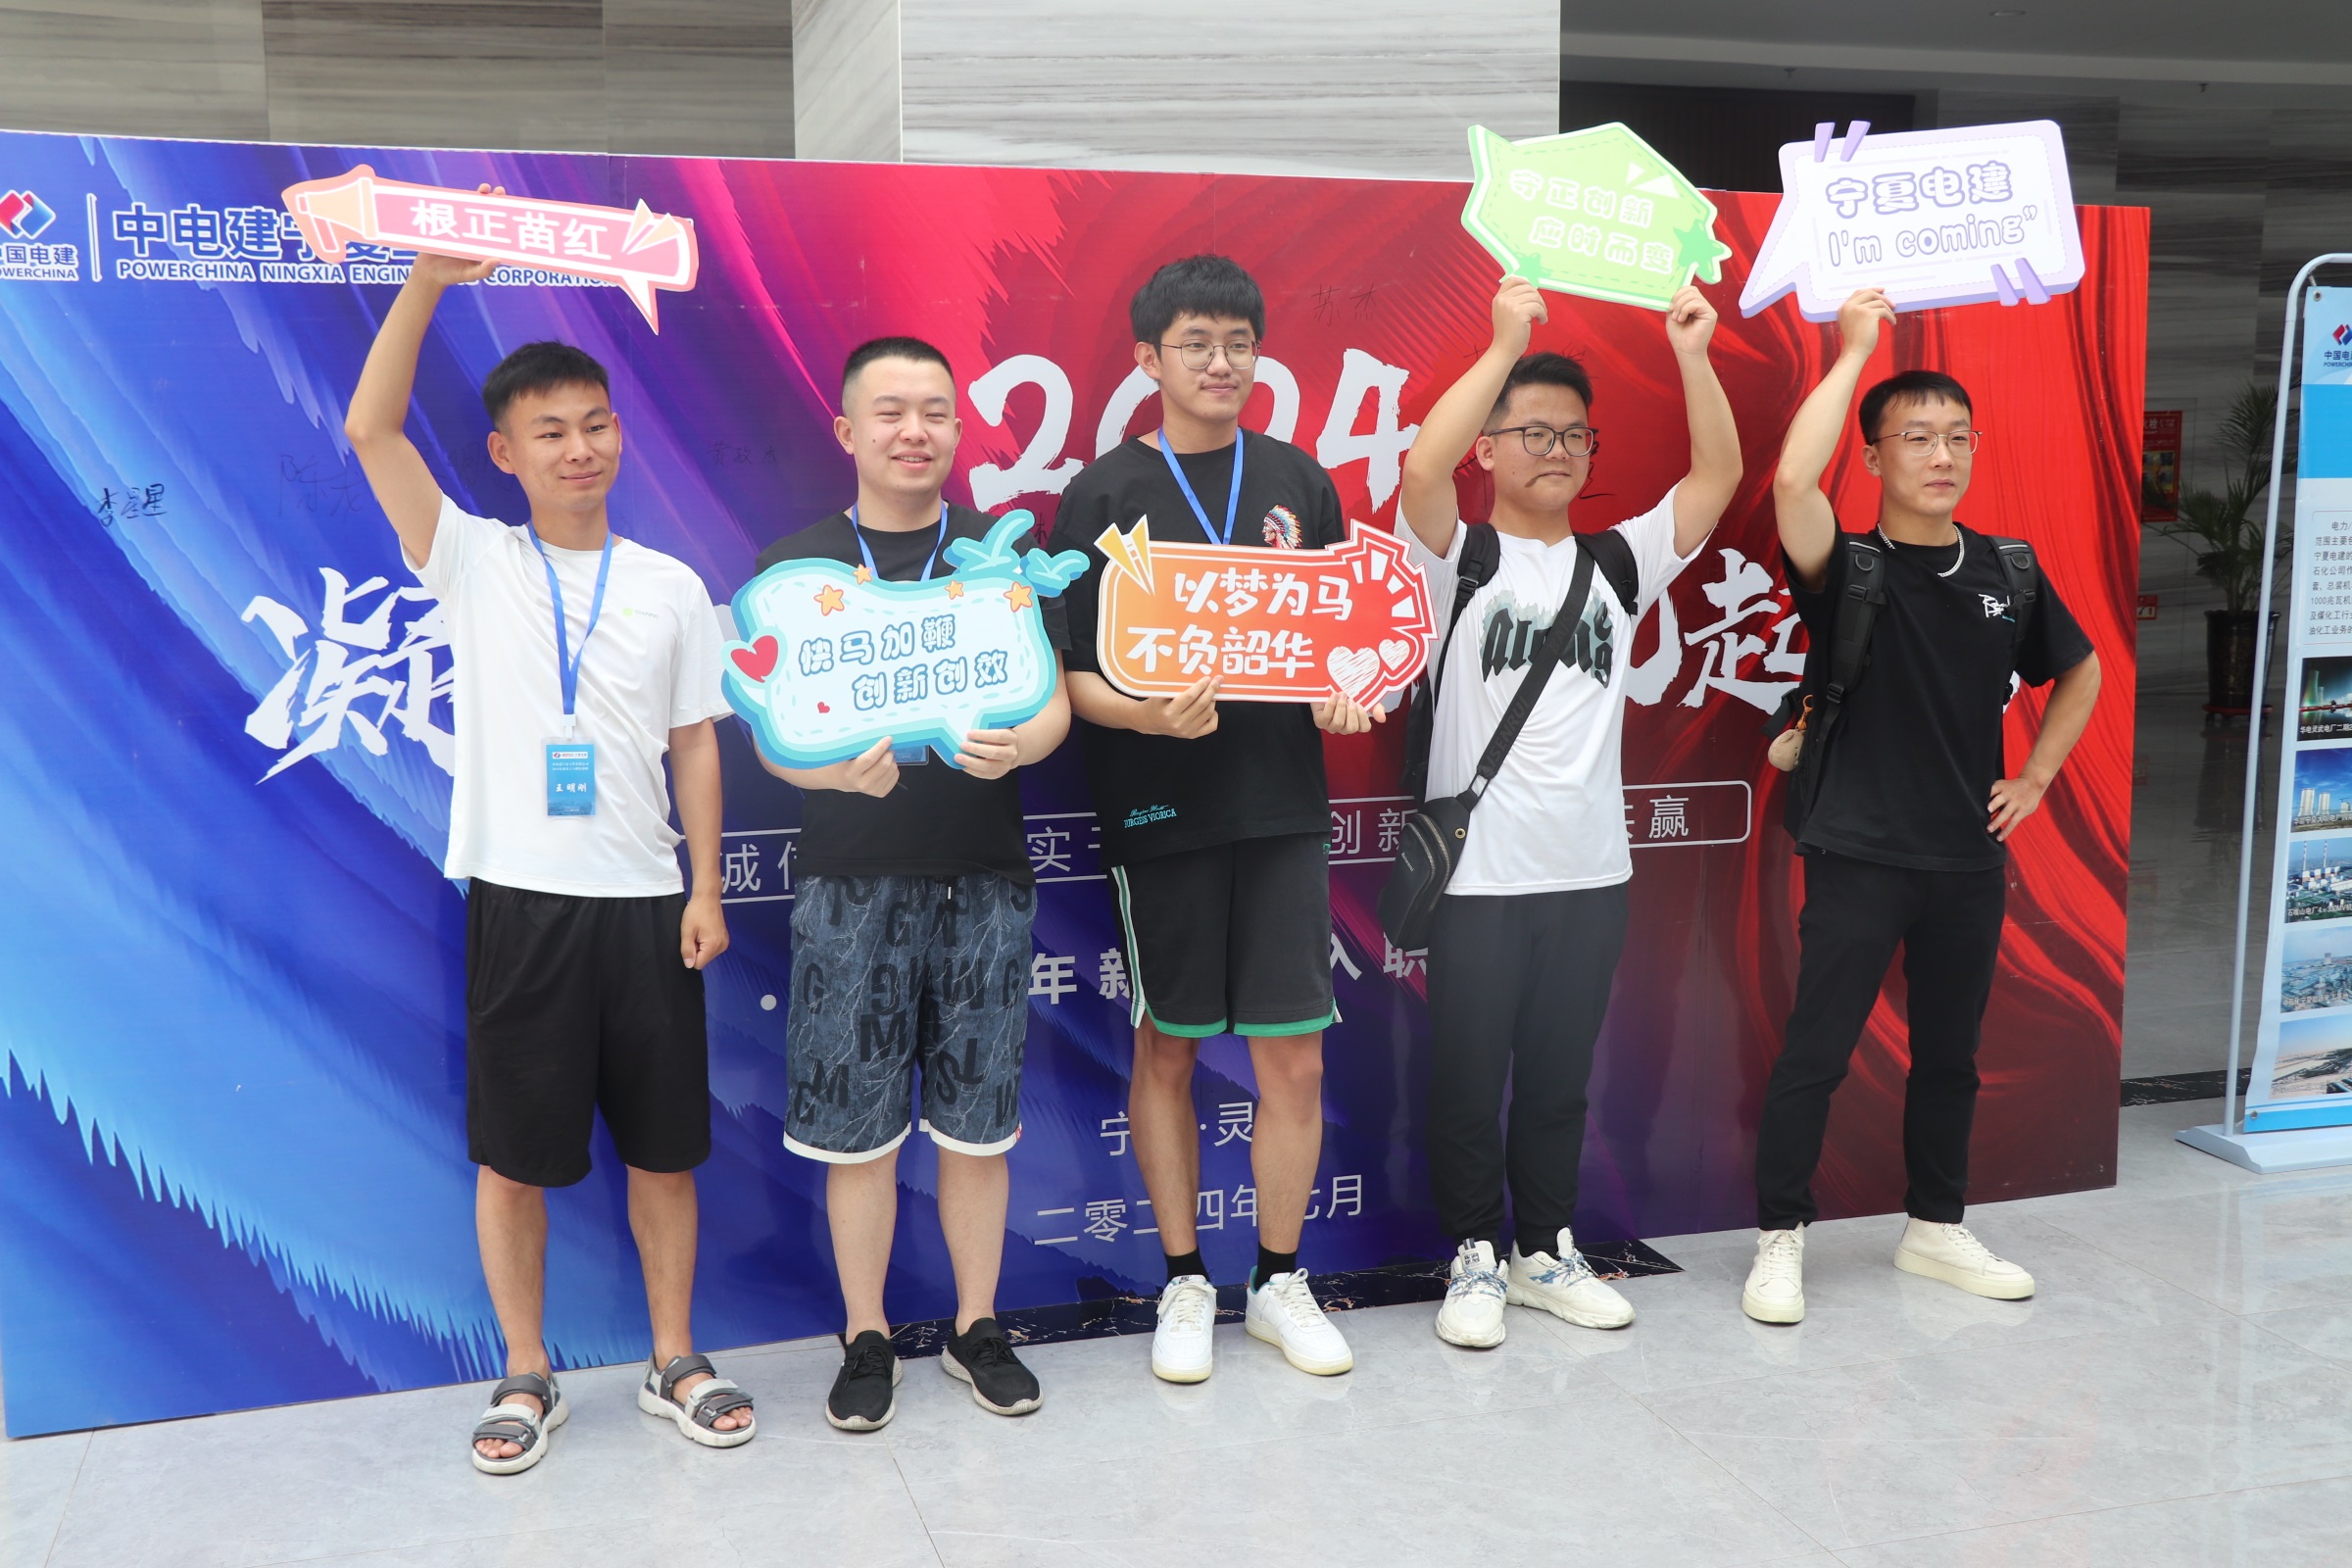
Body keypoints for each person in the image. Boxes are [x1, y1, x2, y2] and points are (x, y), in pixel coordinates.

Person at [343, 230, 753, 1474]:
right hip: (523, 905)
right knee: (513, 1159)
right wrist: (426, 282)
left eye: (597, 425)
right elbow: (370, 429)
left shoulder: (671, 585)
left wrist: (705, 885)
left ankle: (674, 1359)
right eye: (552, 432)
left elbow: (695, 742)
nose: (582, 448)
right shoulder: (474, 558)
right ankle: (526, 1370)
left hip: (649, 907)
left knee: (667, 1152)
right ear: (506, 454)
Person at [1048, 255, 1381, 1384]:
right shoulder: (1103, 493)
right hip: (1161, 810)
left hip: (1282, 807)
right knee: (1170, 1046)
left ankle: (1279, 1279)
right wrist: (1145, 716)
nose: (1221, 362)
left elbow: (1342, 645)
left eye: (1239, 343)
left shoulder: (1298, 479)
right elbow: (1069, 673)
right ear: (1149, 358)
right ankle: (1186, 1278)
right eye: (1196, 343)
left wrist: (1344, 693)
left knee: (1294, 1061)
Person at [1395, 275, 1740, 1348]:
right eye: (1532, 433)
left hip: (1592, 873)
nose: (1556, 450)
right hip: (1478, 877)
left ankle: (1544, 1250)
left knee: (1556, 1080)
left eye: (1574, 435)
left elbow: (1718, 476)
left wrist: (1693, 355)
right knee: (1467, 1079)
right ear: (1489, 449)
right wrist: (1503, 346)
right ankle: (1473, 1254)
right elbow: (1419, 471)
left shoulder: (1617, 563)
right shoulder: (1460, 560)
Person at [1744, 287, 2101, 1325]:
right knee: (1817, 1053)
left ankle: (1935, 1225)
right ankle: (1781, 1237)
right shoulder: (1850, 567)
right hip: (1858, 852)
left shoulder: (2008, 570)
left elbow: (2078, 673)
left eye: (1957, 437)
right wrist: (1856, 350)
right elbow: (1792, 480)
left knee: (1950, 1057)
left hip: (1967, 859)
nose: (1941, 455)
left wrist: (2034, 781)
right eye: (1916, 438)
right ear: (1874, 457)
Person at [753, 336, 1066, 1430]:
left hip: (983, 877)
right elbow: (773, 737)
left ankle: (978, 1327)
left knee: (980, 1124)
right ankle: (866, 1335)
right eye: (890, 411)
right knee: (858, 1130)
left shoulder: (999, 559)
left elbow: (1051, 701)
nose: (914, 431)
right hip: (850, 884)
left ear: (958, 430)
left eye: (934, 410)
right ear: (848, 430)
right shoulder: (799, 570)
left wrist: (1022, 746)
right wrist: (829, 771)